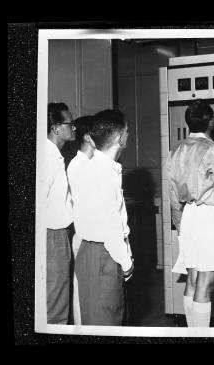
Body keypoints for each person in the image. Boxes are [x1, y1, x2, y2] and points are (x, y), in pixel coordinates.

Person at [167, 100, 214, 327]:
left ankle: (192, 333)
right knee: (206, 284)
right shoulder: (213, 150)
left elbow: (172, 196)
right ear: (210, 121)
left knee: (193, 279)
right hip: (210, 217)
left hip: (188, 216)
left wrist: (180, 227)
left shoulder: (176, 150)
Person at [73, 110, 134, 326]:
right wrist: (126, 263)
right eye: (127, 131)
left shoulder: (92, 166)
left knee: (98, 321)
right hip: (104, 257)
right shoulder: (105, 173)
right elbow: (111, 229)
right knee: (109, 323)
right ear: (120, 138)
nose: (128, 134)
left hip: (92, 255)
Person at [43, 102, 76, 324]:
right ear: (55, 128)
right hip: (52, 235)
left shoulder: (54, 155)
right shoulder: (47, 157)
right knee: (56, 303)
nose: (74, 128)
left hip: (57, 234)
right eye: (70, 124)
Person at [66, 115, 96, 325]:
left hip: (94, 241)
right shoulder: (78, 165)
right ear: (88, 137)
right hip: (85, 240)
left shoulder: (93, 164)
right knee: (83, 304)